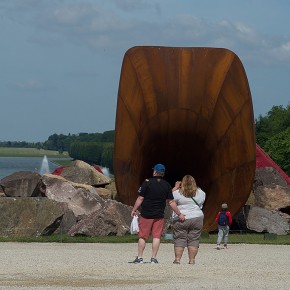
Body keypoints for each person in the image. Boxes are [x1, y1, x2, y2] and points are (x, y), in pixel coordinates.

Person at [131, 163, 185, 264]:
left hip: (146, 214)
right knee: (156, 236)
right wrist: (179, 214)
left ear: (155, 172)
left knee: (143, 236)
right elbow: (171, 201)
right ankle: (153, 258)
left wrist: (134, 209)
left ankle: (140, 257)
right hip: (159, 215)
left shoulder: (147, 182)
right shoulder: (166, 185)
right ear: (163, 174)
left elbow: (140, 198)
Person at [171, 175, 206, 265]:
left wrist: (175, 188)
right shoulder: (201, 193)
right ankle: (192, 260)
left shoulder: (177, 193)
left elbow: (169, 200)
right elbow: (201, 202)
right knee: (194, 239)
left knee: (180, 238)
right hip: (197, 217)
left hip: (181, 217)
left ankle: (177, 259)